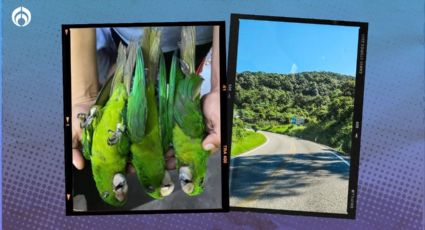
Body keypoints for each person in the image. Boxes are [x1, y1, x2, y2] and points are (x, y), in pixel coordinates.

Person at [70, 26, 221, 171]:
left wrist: (84, 100)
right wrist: (83, 98)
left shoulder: (91, 149)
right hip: (131, 39)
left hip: (200, 38)